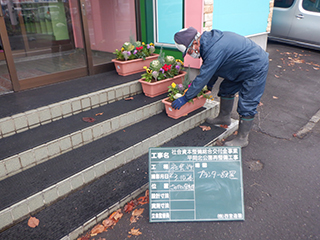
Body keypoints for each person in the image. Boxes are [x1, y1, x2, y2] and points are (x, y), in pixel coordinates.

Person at [173, 27, 269, 147]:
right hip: (239, 66)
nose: (190, 54)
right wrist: (209, 86)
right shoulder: (209, 44)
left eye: (189, 51)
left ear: (195, 42)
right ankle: (224, 117)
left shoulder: (214, 48)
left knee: (247, 102)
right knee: (226, 88)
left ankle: (242, 138)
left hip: (256, 65)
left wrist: (185, 98)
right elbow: (213, 70)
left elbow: (204, 75)